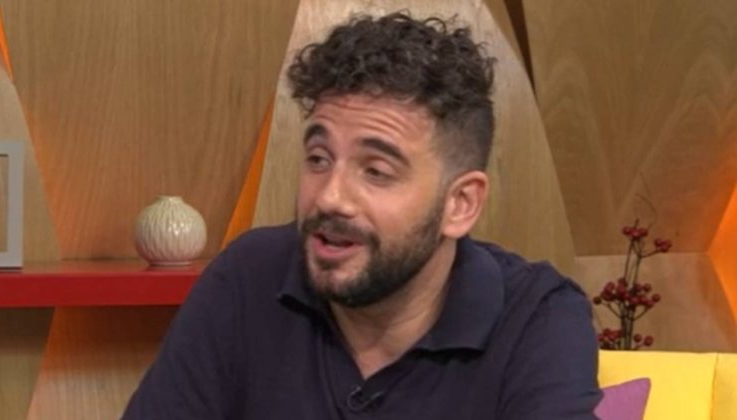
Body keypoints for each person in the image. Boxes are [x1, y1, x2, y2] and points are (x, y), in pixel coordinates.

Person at [123, 12, 601, 419]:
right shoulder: (247, 276)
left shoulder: (537, 318)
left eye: (376, 171)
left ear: (460, 204)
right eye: (318, 159)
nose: (330, 198)